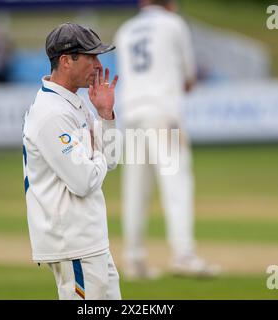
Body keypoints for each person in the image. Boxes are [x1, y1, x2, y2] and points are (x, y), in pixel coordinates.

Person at [115, 0, 220, 279]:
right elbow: (189, 78)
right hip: (163, 113)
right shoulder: (173, 24)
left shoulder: (125, 30)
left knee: (136, 189)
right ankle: (183, 254)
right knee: (177, 182)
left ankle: (134, 260)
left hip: (132, 114)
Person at [22, 22, 121, 300]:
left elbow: (111, 160)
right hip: (73, 243)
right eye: (91, 57)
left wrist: (106, 115)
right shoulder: (51, 114)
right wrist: (96, 155)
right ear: (66, 61)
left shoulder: (72, 104)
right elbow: (84, 180)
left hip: (90, 241)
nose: (98, 65)